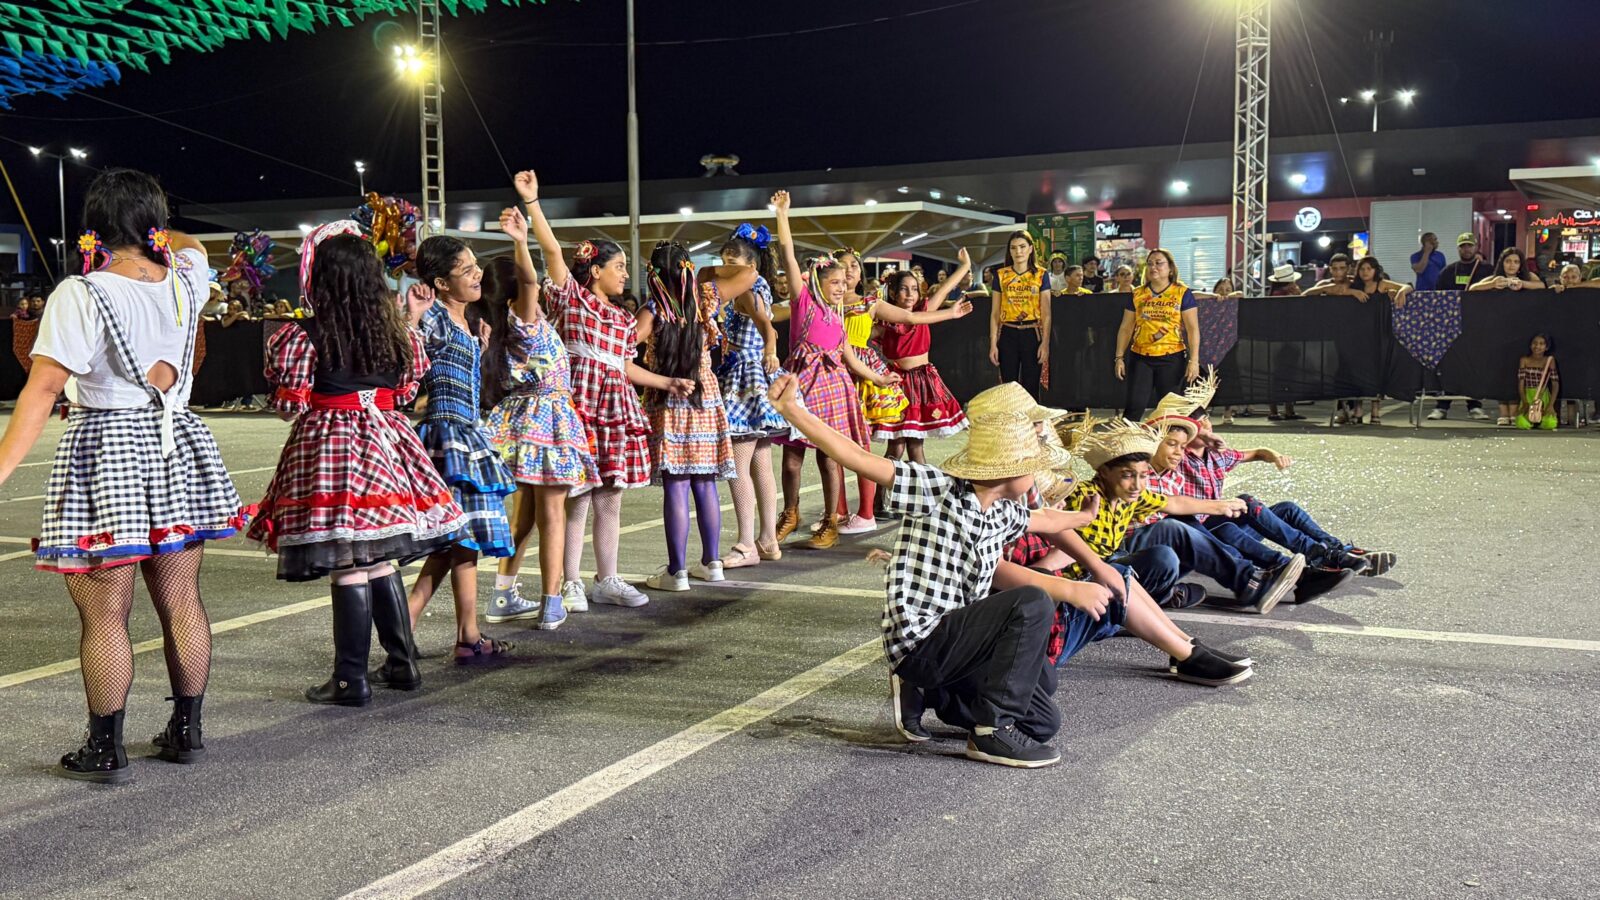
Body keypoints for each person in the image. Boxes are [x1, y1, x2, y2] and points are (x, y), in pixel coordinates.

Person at [0, 168, 250, 783]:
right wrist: (160, 233)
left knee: (106, 615)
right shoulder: (187, 283)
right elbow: (190, 246)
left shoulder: (82, 293)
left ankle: (104, 746)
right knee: (182, 600)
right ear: (153, 224)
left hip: (107, 447)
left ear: (94, 227)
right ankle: (187, 729)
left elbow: (42, 390)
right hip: (177, 443)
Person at [770, 375, 1096, 768]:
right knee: (1031, 603)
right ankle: (989, 732)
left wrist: (1083, 516)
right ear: (1010, 471)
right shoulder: (936, 489)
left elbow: (1044, 519)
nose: (1035, 478)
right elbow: (857, 458)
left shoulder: (1003, 512)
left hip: (959, 646)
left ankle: (936, 694)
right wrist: (793, 410)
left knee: (1043, 720)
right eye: (1032, 468)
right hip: (923, 641)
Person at [248, 223, 464, 707]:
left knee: (347, 558)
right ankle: (401, 663)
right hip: (388, 441)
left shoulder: (303, 335)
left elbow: (289, 405)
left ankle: (350, 679)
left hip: (332, 444)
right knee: (378, 556)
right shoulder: (396, 332)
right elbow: (405, 392)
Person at [515, 169, 691, 609]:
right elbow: (552, 252)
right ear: (595, 270)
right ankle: (571, 581)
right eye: (618, 266)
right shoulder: (573, 299)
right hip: (579, 406)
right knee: (577, 497)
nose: (624, 273)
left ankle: (607, 579)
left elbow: (624, 366)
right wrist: (533, 203)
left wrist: (667, 382)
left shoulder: (623, 319)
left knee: (610, 498)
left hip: (614, 409)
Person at [402, 235, 521, 662]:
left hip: (465, 432)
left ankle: (415, 628)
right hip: (447, 436)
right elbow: (405, 362)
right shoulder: (433, 316)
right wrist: (412, 319)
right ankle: (463, 637)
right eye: (466, 270)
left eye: (476, 266)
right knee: (460, 537)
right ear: (440, 282)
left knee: (454, 541)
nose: (477, 274)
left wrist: (478, 346)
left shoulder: (466, 319)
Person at [483, 207, 597, 635]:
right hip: (547, 420)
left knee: (526, 516)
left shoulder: (505, 326)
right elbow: (530, 282)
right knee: (553, 516)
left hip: (522, 423)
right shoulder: (524, 320)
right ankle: (551, 602)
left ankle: (503, 595)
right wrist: (519, 239)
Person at [1068, 419, 1304, 615]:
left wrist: (1220, 506)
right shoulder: (1084, 495)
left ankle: (1288, 567)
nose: (1138, 485)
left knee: (1176, 541)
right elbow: (1063, 545)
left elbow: (1173, 502)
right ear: (1104, 472)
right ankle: (1169, 595)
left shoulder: (1135, 492)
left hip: (1122, 561)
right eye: (1128, 475)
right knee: (1175, 532)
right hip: (1094, 574)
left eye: (1142, 476)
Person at [770, 191, 897, 550]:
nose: (842, 288)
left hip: (834, 388)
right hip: (802, 385)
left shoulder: (838, 316)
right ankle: (790, 513)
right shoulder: (804, 302)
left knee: (830, 457)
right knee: (792, 460)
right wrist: (783, 215)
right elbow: (789, 255)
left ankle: (830, 521)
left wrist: (878, 378)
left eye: (845, 282)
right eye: (836, 283)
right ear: (818, 282)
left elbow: (850, 358)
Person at [635, 241, 755, 591]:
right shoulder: (705, 298)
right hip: (704, 394)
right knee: (704, 482)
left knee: (677, 483)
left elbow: (623, 346)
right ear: (687, 269)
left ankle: (677, 571)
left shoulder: (652, 309)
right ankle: (712, 562)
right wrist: (704, 272)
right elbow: (749, 273)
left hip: (668, 396)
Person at [714, 223, 787, 571]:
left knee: (737, 466)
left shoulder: (745, 289)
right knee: (761, 463)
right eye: (723, 261)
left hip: (745, 378)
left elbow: (766, 326)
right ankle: (768, 539)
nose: (725, 268)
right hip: (753, 375)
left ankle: (746, 544)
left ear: (751, 265)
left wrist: (770, 347)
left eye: (732, 262)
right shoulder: (757, 286)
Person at [874, 252, 975, 463]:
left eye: (914, 289)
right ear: (892, 293)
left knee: (916, 445)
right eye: (904, 289)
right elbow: (856, 336)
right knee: (896, 446)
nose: (910, 294)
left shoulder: (925, 313)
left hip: (922, 383)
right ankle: (881, 485)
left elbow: (945, 288)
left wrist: (964, 265)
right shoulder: (884, 323)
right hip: (897, 385)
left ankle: (921, 485)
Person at [1114, 248, 1200, 420]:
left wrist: (1194, 360)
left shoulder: (1182, 293)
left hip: (1172, 357)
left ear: (1170, 268)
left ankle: (1175, 436)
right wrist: (1119, 357)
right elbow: (1126, 328)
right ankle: (1129, 437)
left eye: (1159, 263)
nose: (1154, 267)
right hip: (1141, 357)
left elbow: (1192, 329)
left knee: (1171, 409)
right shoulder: (1137, 294)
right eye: (1150, 263)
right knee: (1134, 406)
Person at [1337, 255, 1414, 425]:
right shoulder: (1354, 285)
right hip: (1358, 335)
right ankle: (1358, 409)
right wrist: (1353, 292)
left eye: (1369, 269)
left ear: (1375, 270)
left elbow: (1408, 286)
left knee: (1377, 372)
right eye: (1362, 269)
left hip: (1378, 333)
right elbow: (1338, 290)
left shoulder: (1382, 284)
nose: (1365, 272)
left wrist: (1401, 292)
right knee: (1358, 372)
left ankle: (1375, 410)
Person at [1427, 234, 1494, 421]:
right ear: (1458, 249)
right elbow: (1438, 298)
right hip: (1451, 325)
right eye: (1463, 246)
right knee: (1449, 366)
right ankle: (1442, 406)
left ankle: (1475, 406)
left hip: (1478, 325)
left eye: (1469, 246)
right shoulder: (1447, 272)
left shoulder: (1487, 270)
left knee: (1474, 365)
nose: (1466, 249)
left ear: (1476, 247)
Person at [988, 231, 1052, 400]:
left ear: (1030, 249)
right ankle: (1011, 417)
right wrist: (993, 344)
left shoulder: (1041, 274)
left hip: (1032, 331)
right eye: (1014, 248)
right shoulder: (1001, 275)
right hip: (1007, 332)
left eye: (1022, 247)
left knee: (1031, 384)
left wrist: (1045, 343)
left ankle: (1032, 417)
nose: (1018, 252)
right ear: (1009, 251)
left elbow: (1046, 313)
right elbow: (995, 313)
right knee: (1009, 385)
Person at [1498, 334, 1559, 430]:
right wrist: (1525, 402)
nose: (1537, 346)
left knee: (1550, 423)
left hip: (1543, 395)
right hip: (1527, 394)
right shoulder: (1524, 360)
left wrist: (1551, 405)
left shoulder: (1549, 360)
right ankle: (1531, 421)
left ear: (1546, 347)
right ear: (1530, 345)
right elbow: (1521, 382)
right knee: (1521, 423)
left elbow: (1555, 383)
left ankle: (1539, 421)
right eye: (1535, 343)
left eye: (1541, 344)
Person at [1468, 247, 1545, 292]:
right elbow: (1472, 288)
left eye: (1516, 262)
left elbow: (1542, 286)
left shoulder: (1529, 275)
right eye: (1508, 261)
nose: (1512, 265)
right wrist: (1492, 284)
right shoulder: (1494, 278)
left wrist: (1522, 284)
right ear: (1502, 263)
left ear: (1520, 265)